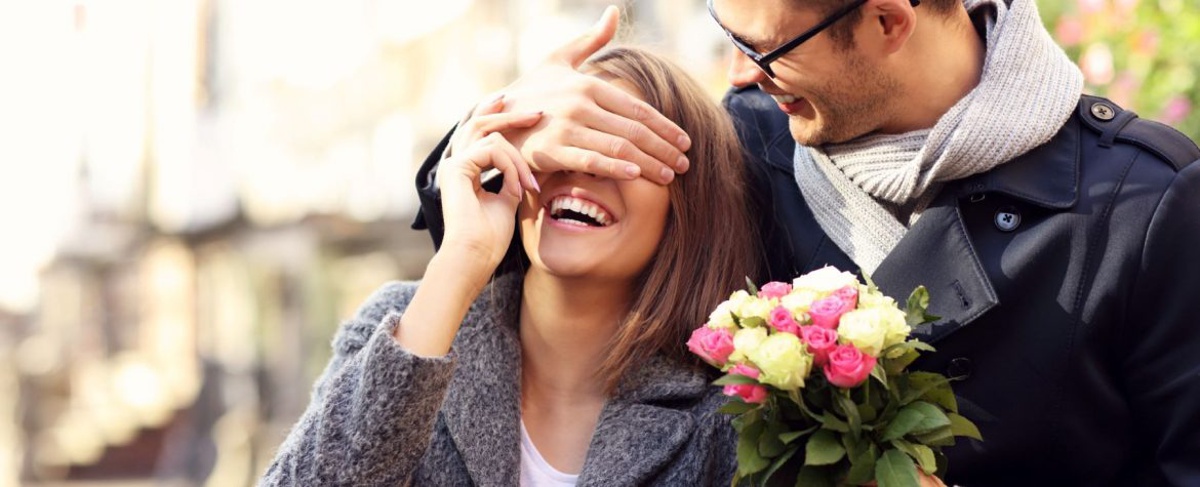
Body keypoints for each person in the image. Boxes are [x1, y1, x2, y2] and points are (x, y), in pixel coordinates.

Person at [413, 1, 1200, 486]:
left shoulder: (1145, 204)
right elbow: (515, 231)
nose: (741, 74)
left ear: (888, 19)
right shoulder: (744, 147)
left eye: (766, 48)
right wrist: (518, 118)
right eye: (730, 33)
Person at [259, 47, 760, 486]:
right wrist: (461, 258)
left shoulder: (727, 410)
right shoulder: (407, 324)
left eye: (618, 146)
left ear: (692, 204)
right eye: (562, 138)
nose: (580, 164)